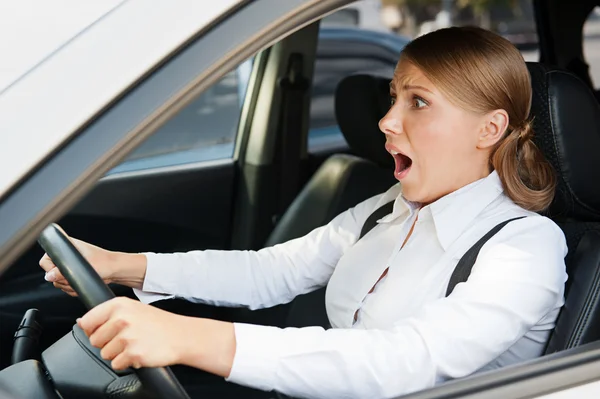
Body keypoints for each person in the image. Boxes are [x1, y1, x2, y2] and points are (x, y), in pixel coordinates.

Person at [39, 26, 567, 399]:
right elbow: (270, 271)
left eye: (418, 102)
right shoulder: (387, 210)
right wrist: (119, 264)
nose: (386, 121)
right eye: (393, 98)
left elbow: (405, 361)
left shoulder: (525, 246)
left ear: (489, 130)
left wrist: (188, 336)